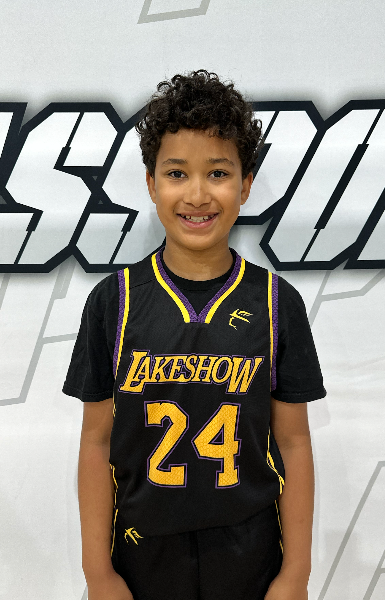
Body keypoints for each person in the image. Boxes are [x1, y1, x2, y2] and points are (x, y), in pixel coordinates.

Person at [63, 70, 326, 600]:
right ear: (151, 183)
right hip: (141, 552)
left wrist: (296, 574)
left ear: (245, 185)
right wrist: (98, 573)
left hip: (251, 552)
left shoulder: (278, 304)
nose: (198, 194)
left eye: (219, 173)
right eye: (177, 173)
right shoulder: (114, 302)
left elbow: (294, 443)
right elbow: (96, 442)